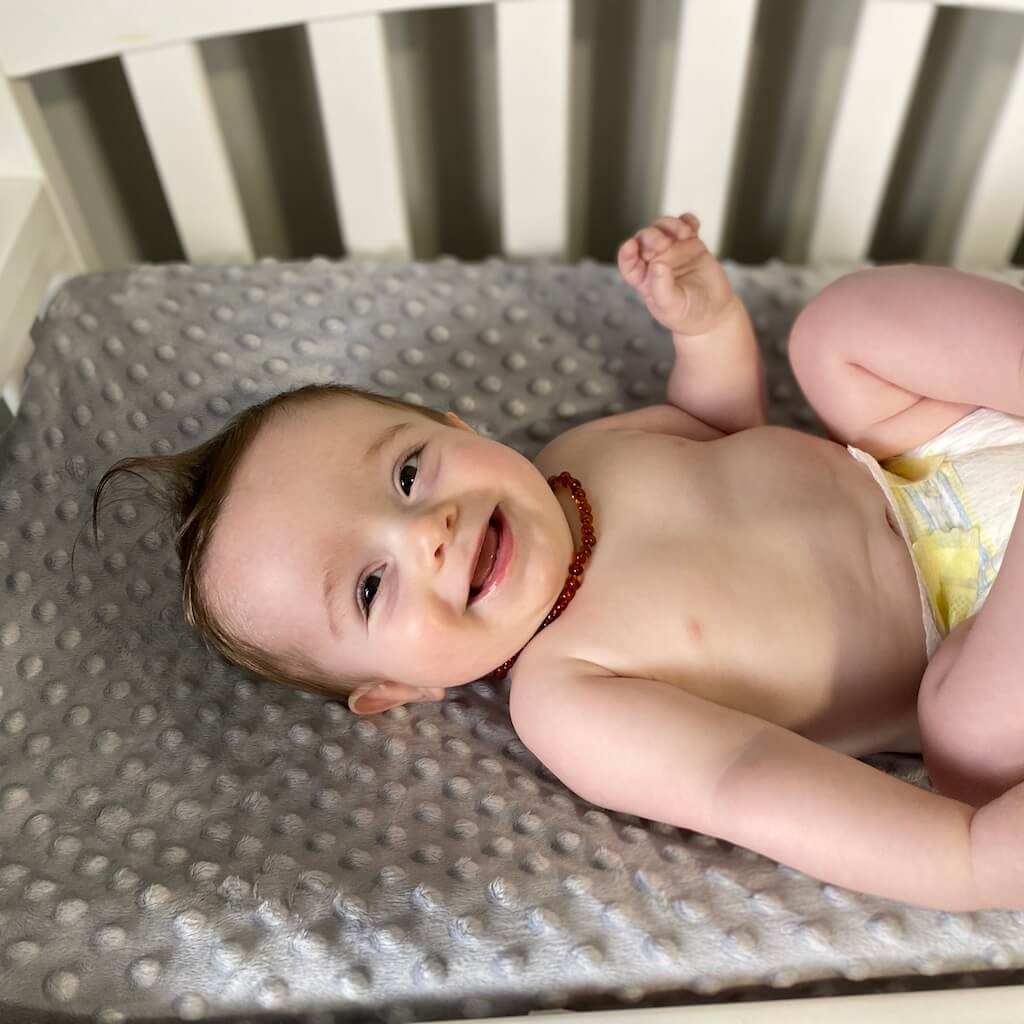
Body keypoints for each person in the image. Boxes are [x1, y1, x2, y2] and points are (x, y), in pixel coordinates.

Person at [93, 213, 1024, 912]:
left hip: (928, 463)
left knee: (835, 333)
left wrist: (704, 331)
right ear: (393, 689)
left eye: (409, 471)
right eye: (372, 587)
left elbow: (719, 430)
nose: (425, 533)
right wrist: (968, 861)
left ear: (461, 427)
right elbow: (746, 780)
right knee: (964, 734)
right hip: (972, 636)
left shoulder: (585, 456)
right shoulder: (568, 699)